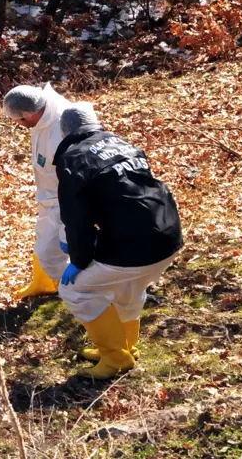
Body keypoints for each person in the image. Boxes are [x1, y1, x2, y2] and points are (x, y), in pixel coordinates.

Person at [54, 104, 183, 379]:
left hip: (135, 243)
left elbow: (77, 219)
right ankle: (126, 346)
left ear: (65, 131)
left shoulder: (74, 158)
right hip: (168, 233)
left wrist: (78, 259)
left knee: (75, 290)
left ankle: (115, 359)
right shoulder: (121, 143)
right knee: (129, 287)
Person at [2, 83, 73, 299]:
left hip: (65, 199)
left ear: (28, 114)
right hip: (49, 194)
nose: (19, 125)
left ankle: (78, 291)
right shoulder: (42, 116)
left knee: (50, 252)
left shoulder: (63, 125)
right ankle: (44, 283)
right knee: (43, 237)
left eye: (19, 120)